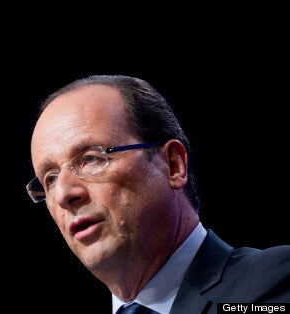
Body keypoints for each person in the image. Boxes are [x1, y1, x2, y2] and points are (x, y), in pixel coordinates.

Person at [26, 74, 290, 313]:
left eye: (91, 159)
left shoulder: (272, 284)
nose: (63, 194)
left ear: (173, 166)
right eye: (50, 178)